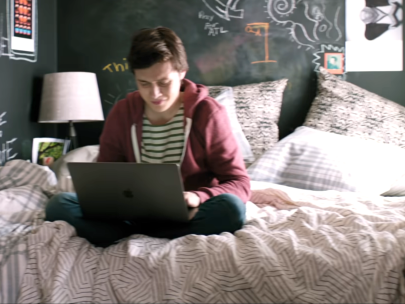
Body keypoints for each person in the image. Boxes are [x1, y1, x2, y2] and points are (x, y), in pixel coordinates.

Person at [45, 27, 251, 248]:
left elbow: (240, 183)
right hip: (130, 214)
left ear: (182, 73)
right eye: (144, 84)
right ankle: (152, 233)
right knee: (59, 204)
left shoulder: (208, 113)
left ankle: (125, 236)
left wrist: (198, 196)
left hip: (189, 213)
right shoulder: (122, 113)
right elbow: (106, 176)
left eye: (163, 83)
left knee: (231, 208)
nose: (155, 94)